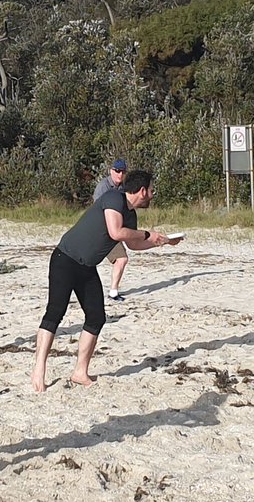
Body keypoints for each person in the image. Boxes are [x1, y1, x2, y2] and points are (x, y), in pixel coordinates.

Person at [31, 170, 177, 393]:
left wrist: (163, 242)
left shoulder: (131, 215)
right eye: (151, 190)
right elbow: (116, 232)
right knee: (54, 313)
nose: (152, 194)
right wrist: (147, 233)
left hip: (87, 267)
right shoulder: (113, 198)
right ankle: (39, 368)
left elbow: (134, 244)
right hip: (65, 260)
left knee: (96, 317)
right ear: (142, 190)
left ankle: (80, 372)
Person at [93, 158, 130, 301]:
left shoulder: (122, 188)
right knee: (120, 259)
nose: (120, 174)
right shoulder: (103, 187)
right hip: (101, 230)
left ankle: (113, 291)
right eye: (117, 171)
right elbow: (97, 211)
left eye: (123, 172)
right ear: (111, 171)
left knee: (122, 259)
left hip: (114, 230)